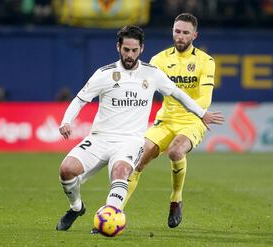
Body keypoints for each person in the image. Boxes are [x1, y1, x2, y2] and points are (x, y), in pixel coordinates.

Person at [55, 25, 224, 231]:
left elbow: (179, 94)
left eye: (134, 50)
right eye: (126, 50)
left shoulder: (152, 74)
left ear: (141, 49)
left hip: (130, 141)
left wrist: (201, 113)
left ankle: (109, 219)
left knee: (122, 171)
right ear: (118, 47)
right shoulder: (104, 74)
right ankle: (76, 207)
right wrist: (66, 121)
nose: (130, 54)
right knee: (66, 170)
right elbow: (80, 100)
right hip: (100, 138)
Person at [123, 13, 216, 228]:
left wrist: (198, 114)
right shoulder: (159, 60)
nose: (180, 36)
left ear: (194, 34)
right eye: (177, 31)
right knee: (137, 161)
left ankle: (176, 199)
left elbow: (205, 99)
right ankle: (114, 210)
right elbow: (142, 90)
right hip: (165, 120)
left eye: (185, 32)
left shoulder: (205, 61)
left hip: (193, 120)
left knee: (175, 151)